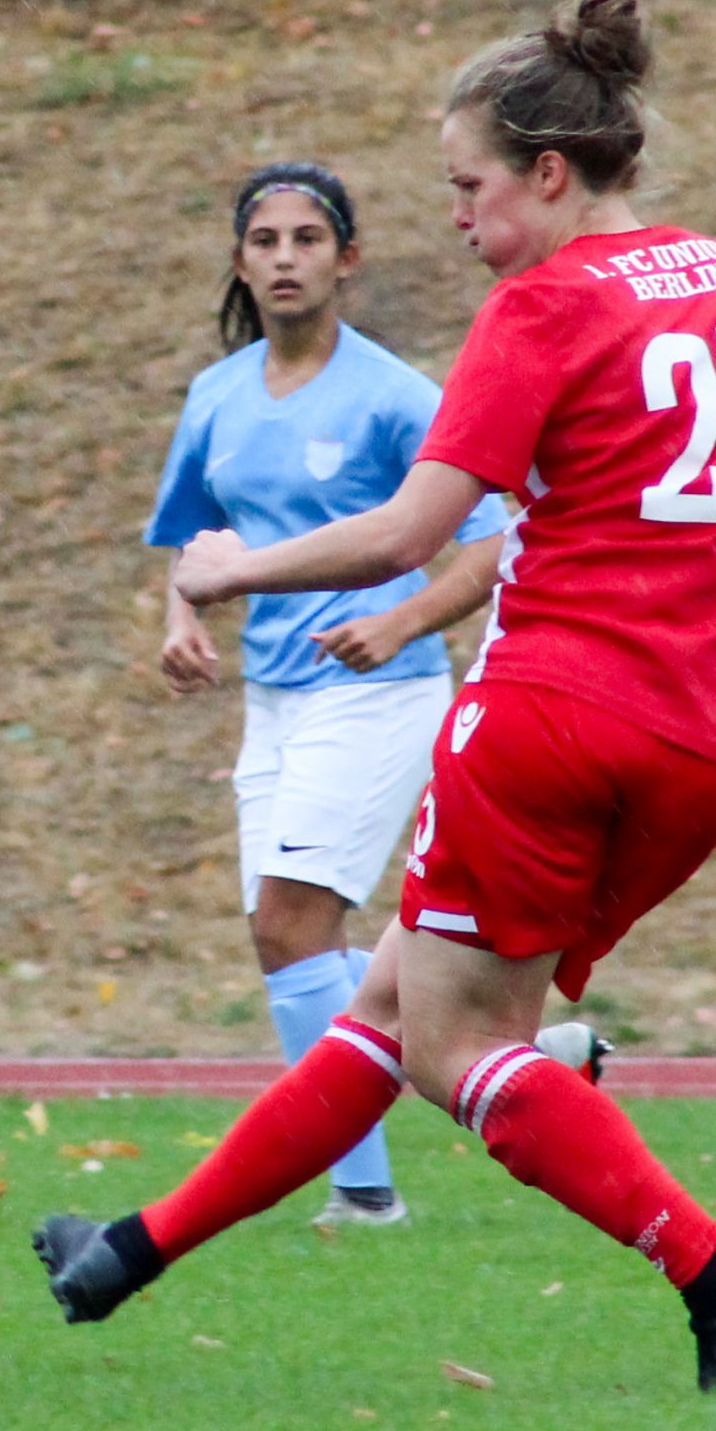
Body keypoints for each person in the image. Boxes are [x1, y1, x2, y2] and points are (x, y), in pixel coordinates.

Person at [37, 0, 716, 1392]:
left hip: (544, 721)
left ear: (549, 172)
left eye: (467, 191)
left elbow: (414, 533)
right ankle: (126, 1255)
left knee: (457, 1050)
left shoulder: (543, 309)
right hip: (706, 754)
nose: (461, 225)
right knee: (393, 1004)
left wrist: (233, 573)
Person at [149, 161, 509, 1227]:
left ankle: (364, 1193)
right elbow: (193, 538)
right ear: (239, 260)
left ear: (347, 258)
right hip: (277, 699)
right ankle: (505, 1044)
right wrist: (181, 618)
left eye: (308, 239)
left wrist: (398, 620)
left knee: (291, 918)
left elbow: (492, 547)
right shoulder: (218, 395)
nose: (285, 259)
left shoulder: (397, 395)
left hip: (383, 690)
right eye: (265, 241)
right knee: (285, 941)